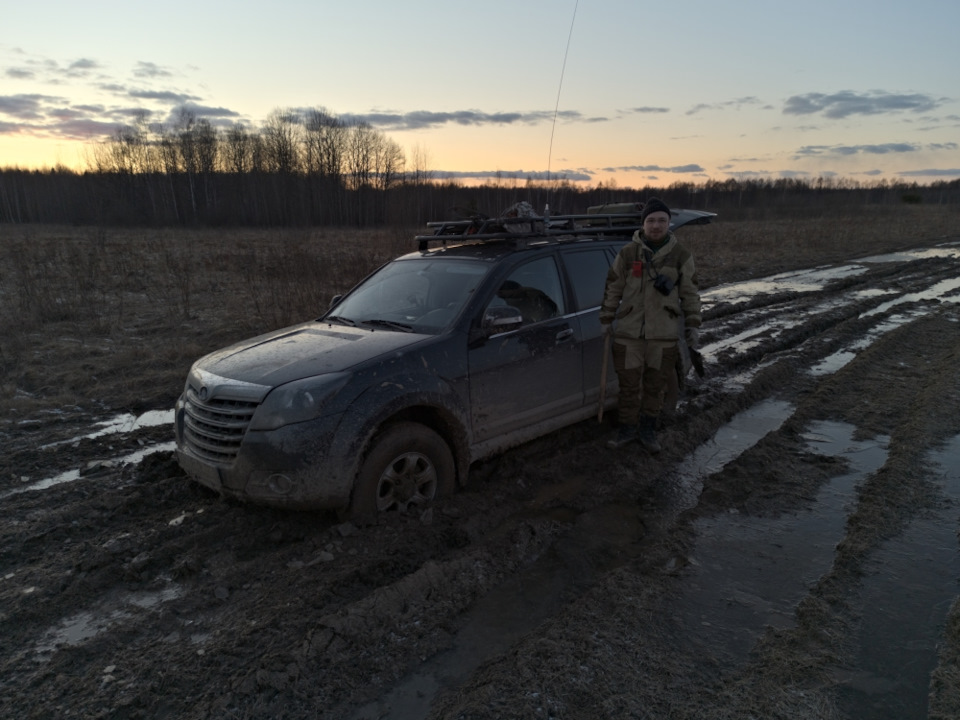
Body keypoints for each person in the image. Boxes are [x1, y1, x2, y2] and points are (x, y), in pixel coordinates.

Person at [599, 197, 702, 452]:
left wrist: (692, 324)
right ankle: (626, 431)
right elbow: (613, 287)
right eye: (651, 220)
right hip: (629, 334)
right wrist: (606, 318)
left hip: (663, 334)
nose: (656, 225)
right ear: (643, 224)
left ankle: (648, 432)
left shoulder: (681, 256)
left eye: (661, 221)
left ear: (669, 223)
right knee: (628, 386)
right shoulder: (627, 254)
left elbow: (690, 293)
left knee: (655, 386)